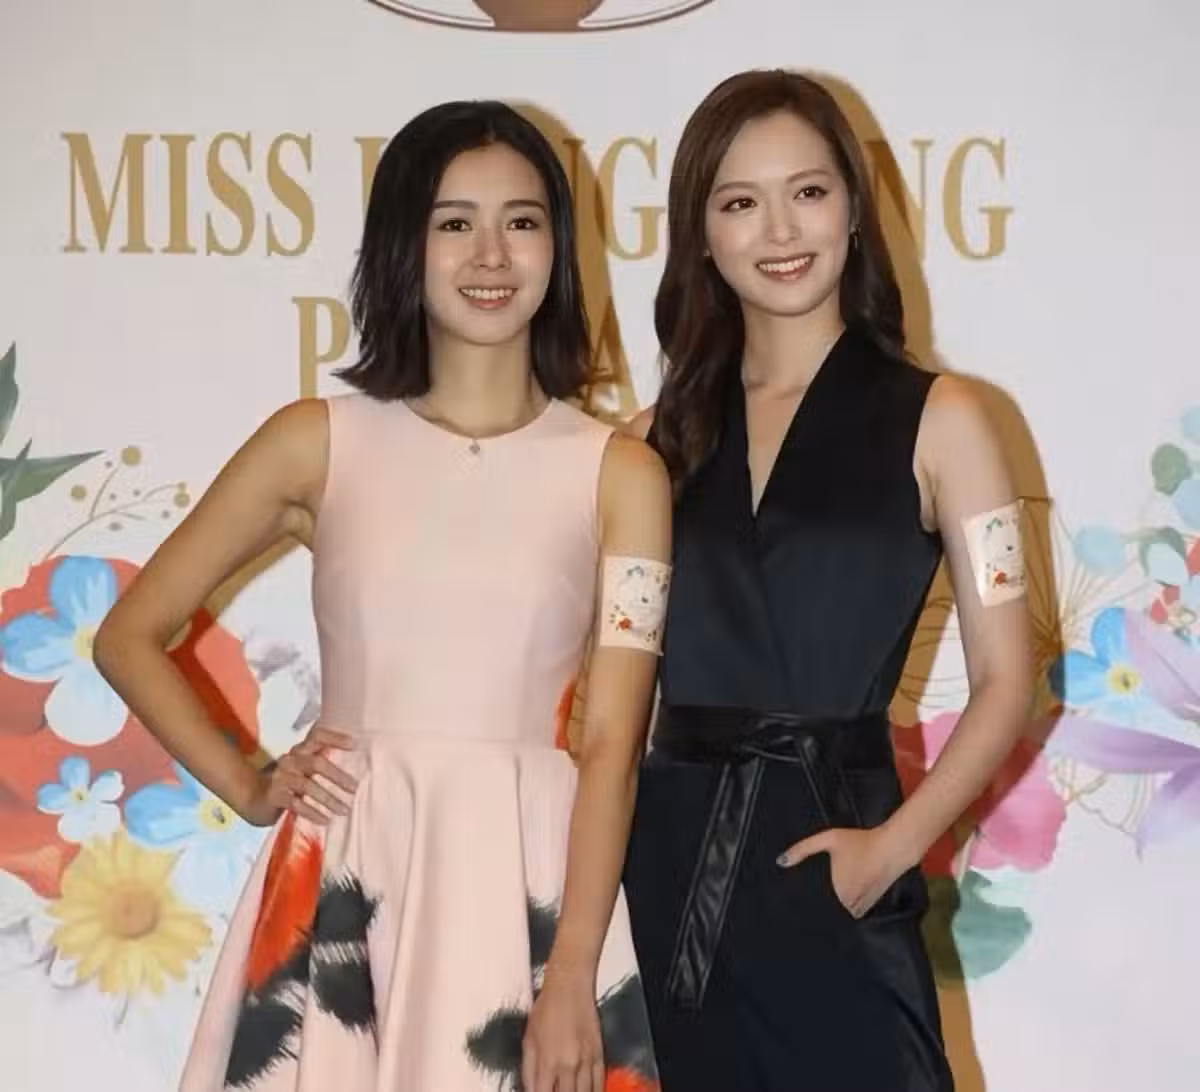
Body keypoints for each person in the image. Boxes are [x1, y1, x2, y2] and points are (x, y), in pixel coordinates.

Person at [94, 100, 671, 1092]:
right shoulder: (317, 441)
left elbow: (615, 740)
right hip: (354, 867)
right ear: (404, 244)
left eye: (523, 221)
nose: (491, 254)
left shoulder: (622, 473)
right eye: (454, 222)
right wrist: (250, 785)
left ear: (559, 248)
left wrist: (573, 970)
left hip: (533, 882)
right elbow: (128, 637)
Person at [621, 69, 1034, 1091]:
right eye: (739, 202)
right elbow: (608, 693)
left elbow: (1009, 680)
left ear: (854, 207)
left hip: (840, 845)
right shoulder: (648, 442)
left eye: (807, 191)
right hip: (669, 866)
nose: (779, 230)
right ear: (700, 234)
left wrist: (890, 852)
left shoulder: (946, 418)